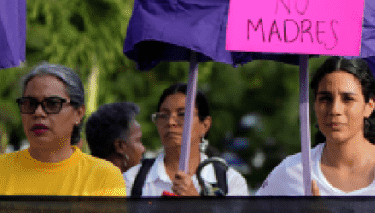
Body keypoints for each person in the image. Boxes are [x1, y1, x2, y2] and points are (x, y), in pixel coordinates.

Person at [257, 57, 375, 196]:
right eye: (325, 98)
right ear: (314, 104)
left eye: (348, 99)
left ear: (370, 105)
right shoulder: (292, 170)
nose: (335, 110)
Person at [0, 62, 126, 195]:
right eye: (30, 104)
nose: (38, 112)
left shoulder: (102, 177)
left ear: (78, 113)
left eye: (52, 104)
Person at [124, 83, 248, 196]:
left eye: (183, 114)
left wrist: (196, 204)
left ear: (205, 125)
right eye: (163, 115)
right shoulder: (132, 180)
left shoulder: (230, 182)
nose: (170, 122)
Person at [85, 102, 147, 173]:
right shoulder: (114, 182)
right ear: (120, 146)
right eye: (138, 140)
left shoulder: (84, 178)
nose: (143, 149)